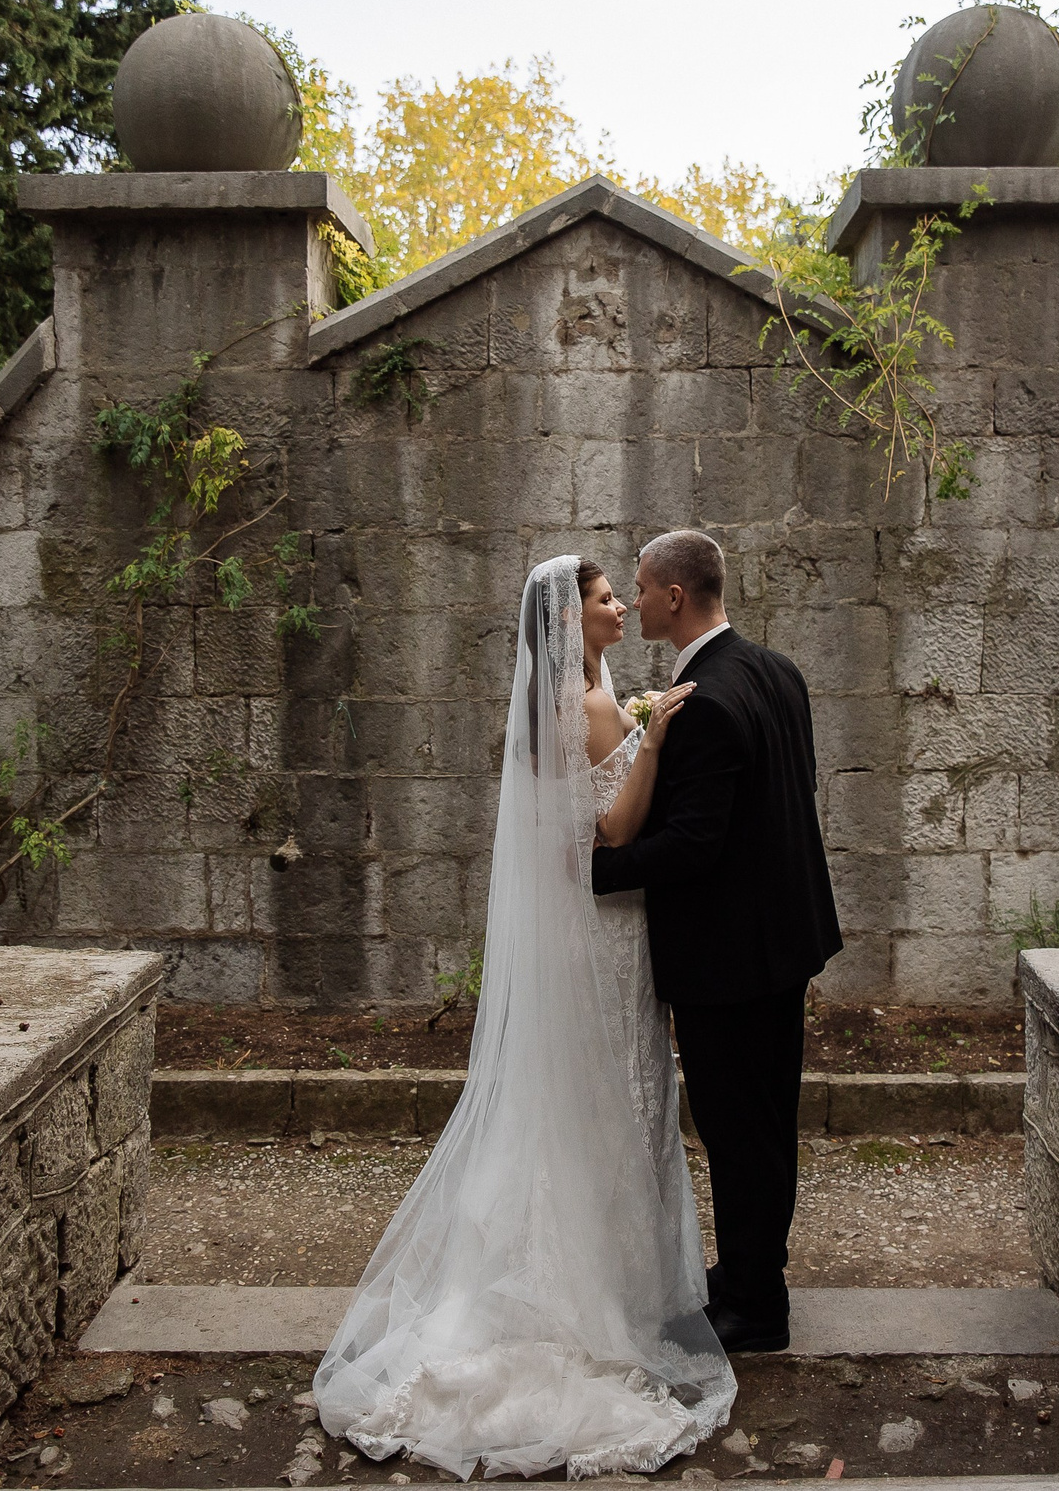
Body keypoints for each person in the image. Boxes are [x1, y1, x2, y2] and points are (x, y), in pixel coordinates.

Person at [313, 556, 733, 1480]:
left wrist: (632, 719)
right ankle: (606, 1290)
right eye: (604, 599)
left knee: (592, 1093)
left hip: (591, 922)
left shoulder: (575, 697)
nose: (621, 606)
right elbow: (615, 831)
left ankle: (598, 1272)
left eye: (621, 594)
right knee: (616, 1090)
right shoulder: (585, 709)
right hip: (606, 928)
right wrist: (653, 739)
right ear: (569, 621)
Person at [592, 529, 841, 1354]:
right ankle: (748, 1275)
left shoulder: (703, 701)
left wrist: (597, 872)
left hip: (730, 959)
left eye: (640, 586)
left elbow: (695, 845)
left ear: (673, 596)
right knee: (767, 1123)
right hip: (785, 939)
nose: (632, 597)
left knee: (739, 1133)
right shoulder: (776, 671)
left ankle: (757, 1311)